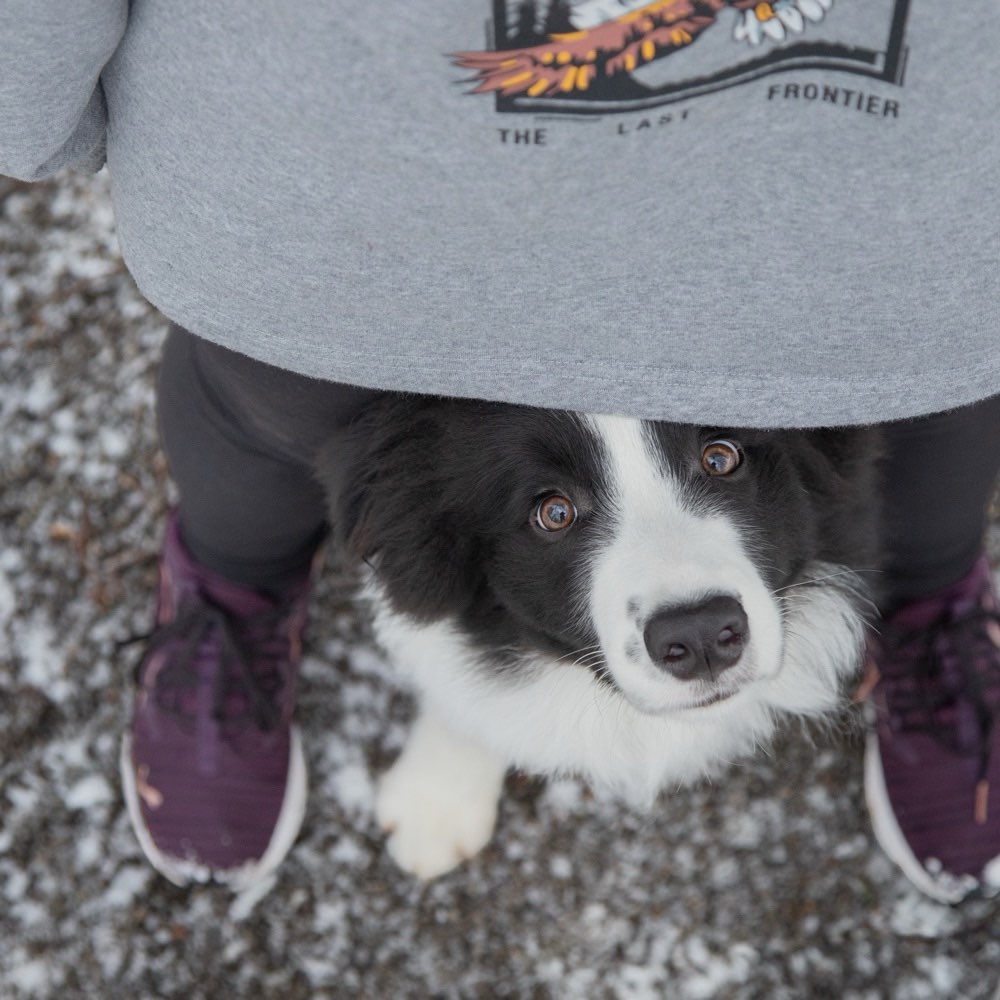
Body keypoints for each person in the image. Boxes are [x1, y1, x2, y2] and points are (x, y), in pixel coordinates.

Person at [2, 0, 998, 901]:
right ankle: (232, 594)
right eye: (553, 512)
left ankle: (925, 607)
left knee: (931, 375)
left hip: (865, 165)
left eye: (724, 460)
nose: (686, 602)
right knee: (261, 408)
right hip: (356, 189)